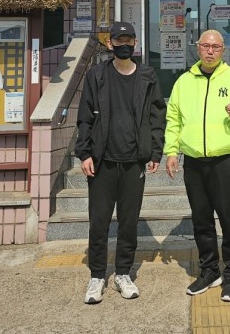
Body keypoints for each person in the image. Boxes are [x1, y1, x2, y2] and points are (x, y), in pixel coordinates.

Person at [165, 29, 230, 302]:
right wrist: (171, 151)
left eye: (215, 47)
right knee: (201, 219)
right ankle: (209, 271)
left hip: (225, 161)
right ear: (197, 48)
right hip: (194, 161)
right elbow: (173, 119)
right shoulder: (184, 81)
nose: (210, 51)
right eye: (205, 46)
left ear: (222, 50)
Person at [75, 21, 166, 305]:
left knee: (128, 221)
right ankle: (97, 275)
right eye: (119, 41)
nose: (124, 45)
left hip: (133, 162)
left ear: (135, 43)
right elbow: (85, 116)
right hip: (102, 161)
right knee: (99, 222)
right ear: (110, 44)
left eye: (128, 40)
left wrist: (155, 152)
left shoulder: (147, 76)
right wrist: (84, 153)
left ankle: (123, 273)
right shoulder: (97, 75)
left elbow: (157, 116)